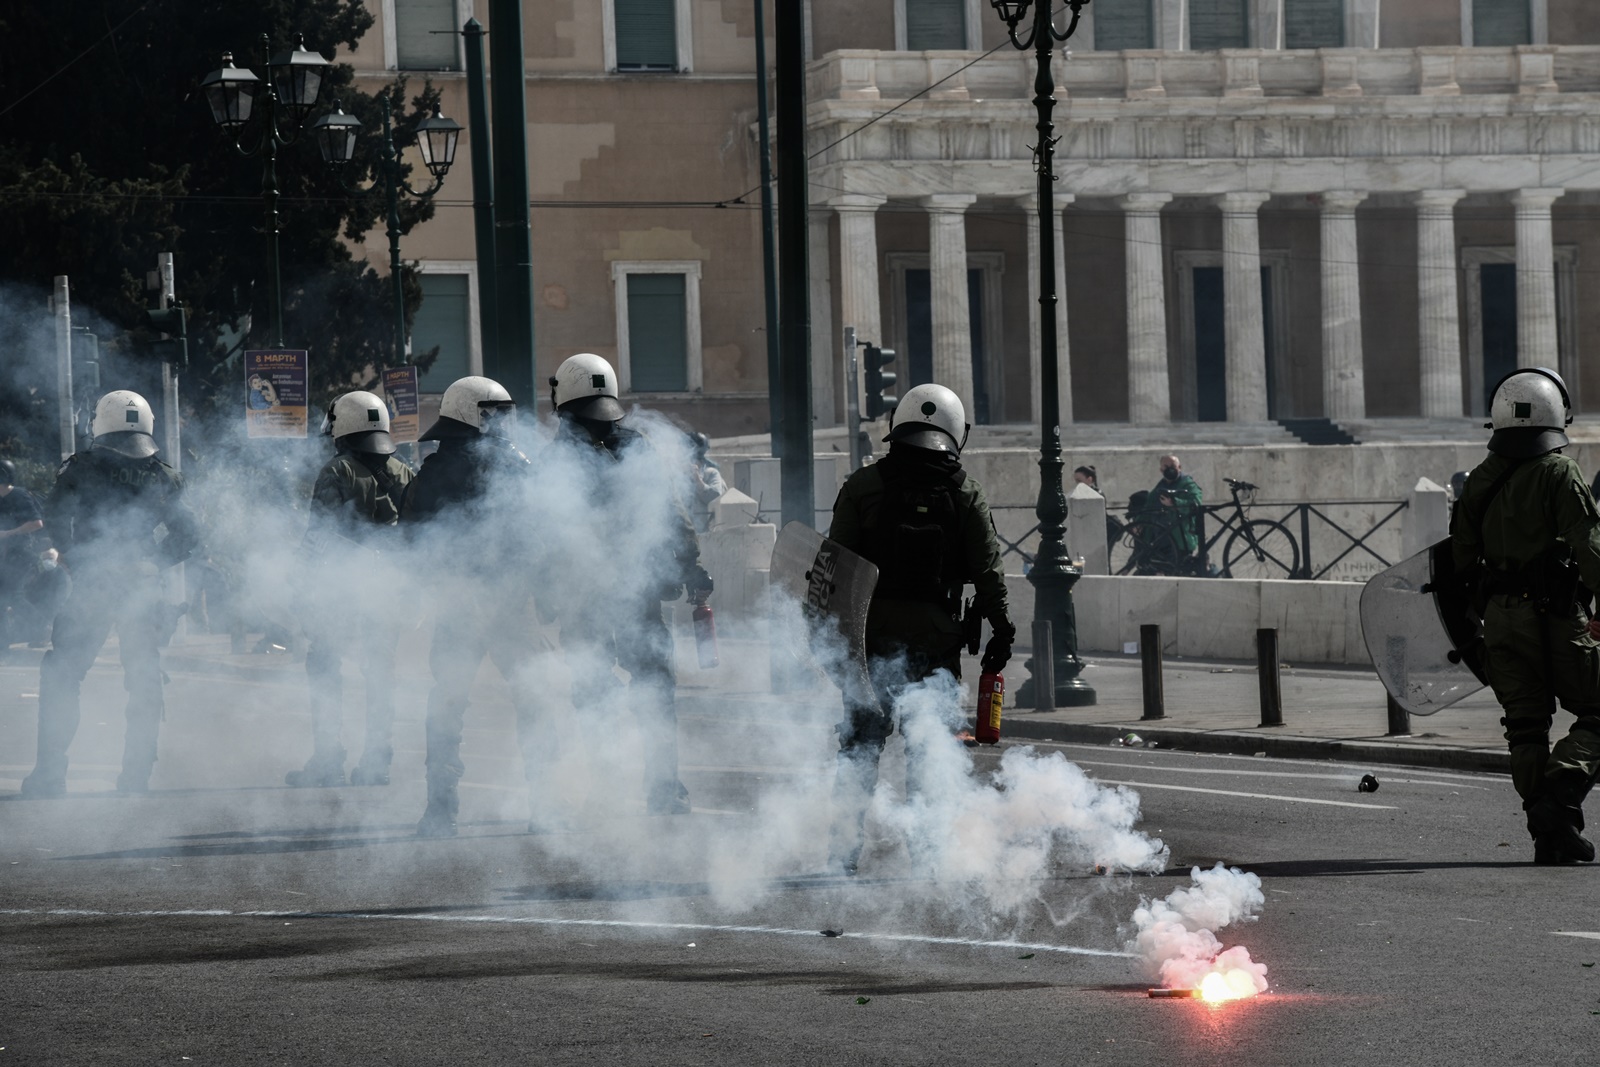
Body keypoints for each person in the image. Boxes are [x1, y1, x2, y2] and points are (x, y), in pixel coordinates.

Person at [825, 383, 1015, 875]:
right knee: (929, 751)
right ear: (956, 432)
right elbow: (989, 571)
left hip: (870, 641)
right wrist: (1002, 630)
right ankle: (928, 853)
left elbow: (833, 568)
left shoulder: (863, 486)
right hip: (934, 644)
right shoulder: (965, 492)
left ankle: (842, 853)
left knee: (859, 750)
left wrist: (831, 643)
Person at [545, 352, 711, 816]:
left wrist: (546, 594)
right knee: (652, 690)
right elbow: (674, 515)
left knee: (600, 690)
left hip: (593, 596)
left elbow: (540, 536)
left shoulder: (556, 459)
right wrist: (691, 567)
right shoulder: (635, 446)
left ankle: (611, 788)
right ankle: (660, 786)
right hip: (631, 592)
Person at [1451, 368, 1600, 865]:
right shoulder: (1561, 472)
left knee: (1526, 727)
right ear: (1557, 415)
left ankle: (1550, 836)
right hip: (1557, 618)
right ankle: (1559, 799)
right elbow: (1590, 548)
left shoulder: (1478, 481)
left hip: (1501, 620)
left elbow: (1460, 561)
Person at [20, 391, 199, 797]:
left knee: (63, 673)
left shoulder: (81, 468)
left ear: (102, 424)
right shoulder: (164, 475)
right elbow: (190, 536)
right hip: (142, 588)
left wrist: (74, 558)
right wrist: (152, 561)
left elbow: (55, 515)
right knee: (144, 680)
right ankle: (135, 780)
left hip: (93, 586)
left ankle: (49, 777)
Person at [401, 375, 543, 837]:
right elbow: (547, 533)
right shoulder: (522, 467)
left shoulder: (437, 469)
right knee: (535, 698)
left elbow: (414, 536)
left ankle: (441, 811)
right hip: (510, 604)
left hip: (460, 604)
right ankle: (547, 807)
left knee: (445, 704)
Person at [286, 391, 414, 789]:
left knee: (324, 668)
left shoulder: (336, 471)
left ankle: (328, 761)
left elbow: (319, 535)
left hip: (340, 591)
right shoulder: (404, 470)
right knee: (379, 675)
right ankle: (377, 761)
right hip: (388, 592)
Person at [0, 459, 45, 652]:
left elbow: (37, 523)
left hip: (21, 554)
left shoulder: (20, 496)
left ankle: (42, 627)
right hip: (5, 554)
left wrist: (9, 533)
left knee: (14, 597)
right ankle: (2, 646)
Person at [689, 432, 728, 533]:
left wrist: (697, 479)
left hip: (708, 531)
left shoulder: (711, 473)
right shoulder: (680, 476)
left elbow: (715, 497)